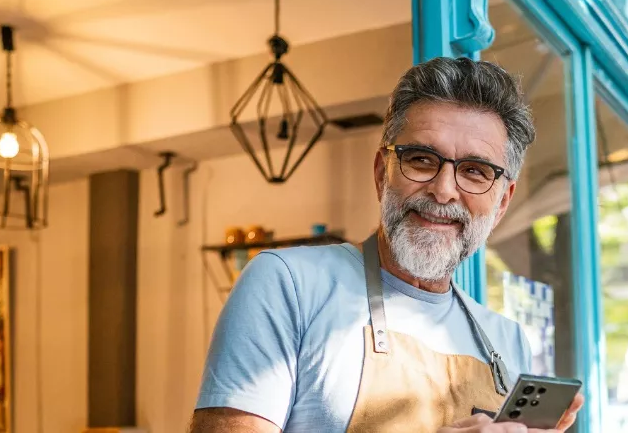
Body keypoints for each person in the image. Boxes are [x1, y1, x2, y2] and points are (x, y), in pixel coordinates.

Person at [188, 57, 585, 433]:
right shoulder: (287, 284)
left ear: (501, 202)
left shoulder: (506, 340)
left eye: (475, 171)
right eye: (422, 160)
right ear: (382, 173)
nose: (444, 191)